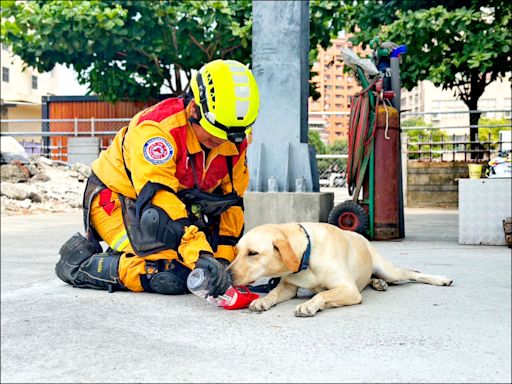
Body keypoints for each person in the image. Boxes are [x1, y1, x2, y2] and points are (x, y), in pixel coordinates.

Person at [55, 59, 259, 298]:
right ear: (194, 109)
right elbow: (158, 203)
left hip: (176, 207)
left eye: (229, 138)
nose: (223, 143)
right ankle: (81, 263)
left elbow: (231, 203)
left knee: (210, 270)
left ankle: (154, 251)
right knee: (171, 274)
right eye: (215, 135)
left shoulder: (233, 136)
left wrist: (224, 258)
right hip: (119, 199)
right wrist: (200, 255)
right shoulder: (156, 130)